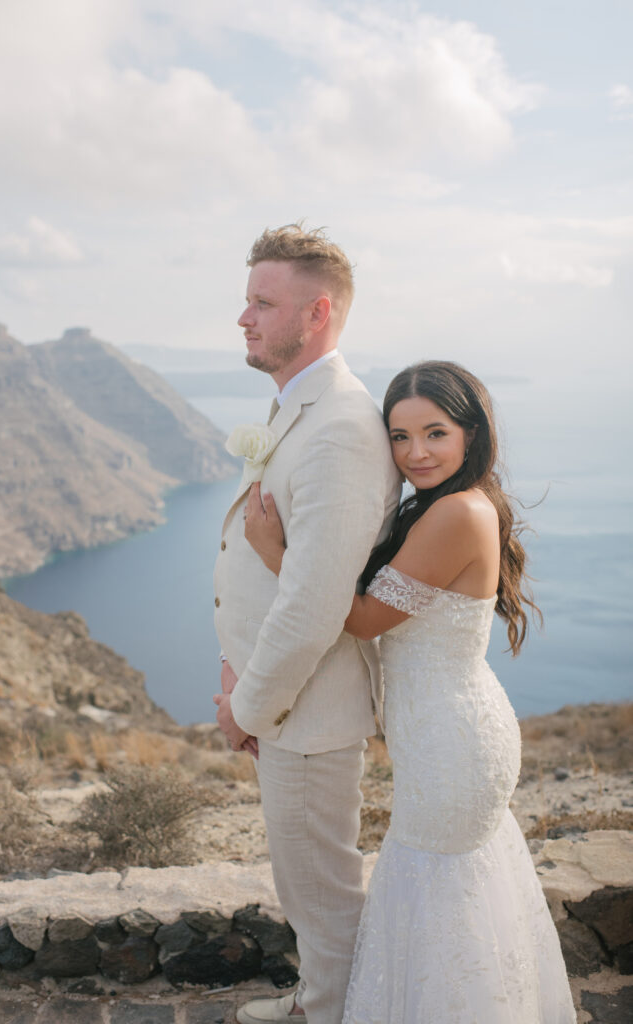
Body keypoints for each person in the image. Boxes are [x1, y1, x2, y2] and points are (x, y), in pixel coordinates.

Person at [244, 360, 576, 1023]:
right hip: (447, 734)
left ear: (471, 433)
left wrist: (275, 552)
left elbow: (365, 619)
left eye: (435, 433)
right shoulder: (447, 505)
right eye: (399, 437)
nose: (415, 452)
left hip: (453, 742)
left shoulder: (455, 513)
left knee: (438, 892)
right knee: (458, 893)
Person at [213, 223, 402, 1024]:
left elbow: (316, 606)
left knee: (323, 892)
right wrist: (233, 663)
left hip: (304, 713)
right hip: (282, 701)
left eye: (263, 302)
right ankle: (319, 998)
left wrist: (247, 706)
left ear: (317, 313)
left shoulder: (341, 432)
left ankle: (330, 1013)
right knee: (304, 883)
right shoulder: (300, 407)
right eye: (247, 299)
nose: (243, 317)